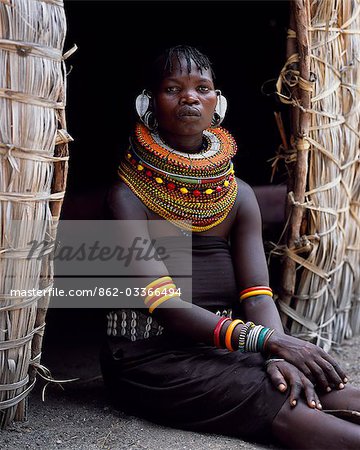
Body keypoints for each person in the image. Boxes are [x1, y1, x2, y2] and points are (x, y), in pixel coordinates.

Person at [100, 45, 360, 449]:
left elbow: (256, 295)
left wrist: (278, 354)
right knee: (286, 398)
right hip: (149, 360)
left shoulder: (237, 196)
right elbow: (163, 306)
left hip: (225, 348)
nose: (190, 97)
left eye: (202, 88)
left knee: (319, 383)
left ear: (217, 102)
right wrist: (268, 342)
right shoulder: (127, 197)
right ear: (147, 103)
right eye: (173, 88)